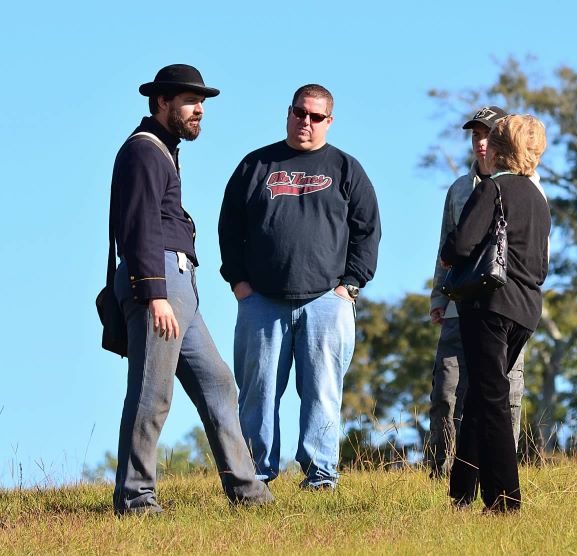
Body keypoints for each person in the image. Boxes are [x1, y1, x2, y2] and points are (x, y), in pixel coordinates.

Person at [110, 64, 273, 515]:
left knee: (218, 383)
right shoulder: (145, 151)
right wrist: (154, 292)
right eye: (189, 101)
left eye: (201, 102)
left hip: (177, 282)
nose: (199, 109)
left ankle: (247, 491)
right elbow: (139, 225)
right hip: (159, 281)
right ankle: (136, 499)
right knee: (151, 393)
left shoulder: (164, 149)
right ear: (162, 103)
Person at [218, 84, 381, 490]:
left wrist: (350, 285)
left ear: (329, 121)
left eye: (315, 116)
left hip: (327, 301)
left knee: (323, 392)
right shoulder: (255, 165)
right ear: (288, 112)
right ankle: (255, 476)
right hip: (261, 302)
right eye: (298, 113)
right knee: (256, 393)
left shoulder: (346, 168)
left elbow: (368, 230)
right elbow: (229, 229)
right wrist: (239, 283)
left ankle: (321, 475)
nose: (305, 122)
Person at [442, 114, 550, 513]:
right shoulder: (538, 199)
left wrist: (449, 249)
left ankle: (505, 500)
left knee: (490, 399)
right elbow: (540, 264)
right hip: (526, 310)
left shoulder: (491, 190)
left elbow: (461, 245)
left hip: (488, 305)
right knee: (483, 395)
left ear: (501, 149)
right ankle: (462, 491)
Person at [428, 106, 529, 478]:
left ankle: (501, 468)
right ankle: (443, 469)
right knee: (447, 392)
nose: (480, 143)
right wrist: (439, 298)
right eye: (474, 135)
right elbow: (446, 246)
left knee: (504, 393)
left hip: (503, 306)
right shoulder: (458, 189)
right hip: (459, 307)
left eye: (487, 135)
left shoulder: (525, 185)